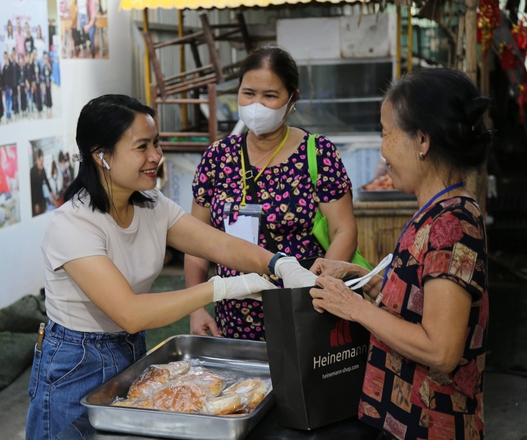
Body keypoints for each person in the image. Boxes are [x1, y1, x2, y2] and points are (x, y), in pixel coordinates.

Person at [24, 94, 317, 439]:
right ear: (101, 155)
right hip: (76, 363)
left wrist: (278, 263)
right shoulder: (72, 225)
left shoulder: (152, 205)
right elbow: (130, 312)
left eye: (157, 143)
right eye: (142, 147)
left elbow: (218, 243)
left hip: (130, 349)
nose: (156, 157)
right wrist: (222, 288)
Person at [308, 68, 491, 439]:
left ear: (422, 140)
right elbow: (419, 301)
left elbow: (441, 349)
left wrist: (354, 308)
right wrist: (365, 282)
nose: (382, 150)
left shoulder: (452, 223)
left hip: (431, 425)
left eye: (386, 133)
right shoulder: (438, 210)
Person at [185, 45, 358, 340]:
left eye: (270, 96)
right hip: (232, 317)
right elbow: (196, 238)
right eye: (248, 93)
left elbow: (344, 230)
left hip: (302, 312)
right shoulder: (218, 156)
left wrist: (316, 291)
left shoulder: (317, 153)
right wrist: (196, 307)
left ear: (293, 100)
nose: (256, 105)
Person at [30, 147, 52, 216]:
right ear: (37, 160)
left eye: (43, 163)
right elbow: (32, 189)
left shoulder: (43, 170)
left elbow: (47, 181)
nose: (42, 165)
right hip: (34, 200)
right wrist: (36, 203)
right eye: (41, 163)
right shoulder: (32, 172)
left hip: (41, 197)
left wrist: (51, 193)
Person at [1, 51, 13, 123]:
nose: (5, 59)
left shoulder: (9, 67)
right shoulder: (3, 68)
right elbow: (2, 80)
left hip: (9, 88)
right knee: (6, 102)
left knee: (10, 102)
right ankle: (7, 116)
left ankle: (10, 115)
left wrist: (11, 88)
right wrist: (3, 89)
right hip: (5, 89)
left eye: (6, 58)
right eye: (4, 58)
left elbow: (11, 79)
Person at [42, 51, 53, 117]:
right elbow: (43, 78)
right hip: (45, 85)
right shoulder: (43, 67)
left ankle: (50, 111)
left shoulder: (49, 67)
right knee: (46, 98)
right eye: (44, 59)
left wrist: (51, 87)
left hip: (49, 85)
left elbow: (51, 77)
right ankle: (46, 112)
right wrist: (43, 87)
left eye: (46, 59)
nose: (45, 60)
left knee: (50, 98)